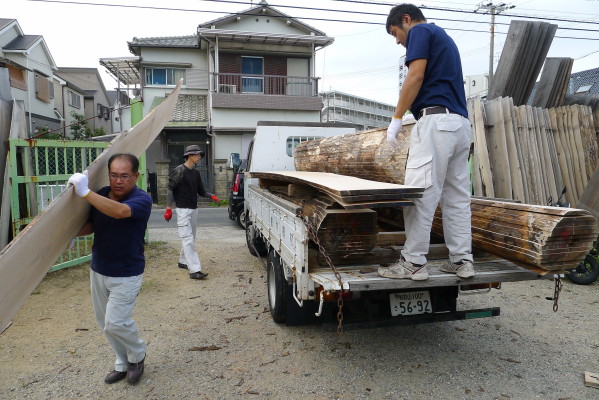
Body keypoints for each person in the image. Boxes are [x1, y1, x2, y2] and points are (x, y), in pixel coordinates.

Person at [378, 3, 475, 281]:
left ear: (406, 20)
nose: (398, 40)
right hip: (459, 125)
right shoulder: (445, 37)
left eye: (396, 32)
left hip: (435, 124)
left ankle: (413, 264)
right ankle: (461, 260)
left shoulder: (421, 32)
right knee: (457, 199)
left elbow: (416, 75)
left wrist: (397, 119)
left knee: (419, 195)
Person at [68, 153, 151, 385]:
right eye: (114, 175)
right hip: (99, 268)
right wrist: (68, 233)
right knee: (105, 324)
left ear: (136, 176)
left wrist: (85, 193)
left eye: (124, 176)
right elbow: (93, 224)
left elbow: (120, 212)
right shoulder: (102, 194)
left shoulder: (141, 200)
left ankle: (138, 355)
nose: (118, 180)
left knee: (117, 322)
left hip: (127, 272)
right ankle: (122, 363)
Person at [163, 145, 219, 280]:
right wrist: (168, 208)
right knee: (187, 239)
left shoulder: (196, 173)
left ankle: (183, 261)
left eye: (200, 154)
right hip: (182, 210)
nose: (199, 157)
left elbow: (201, 191)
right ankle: (195, 270)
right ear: (189, 155)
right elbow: (170, 189)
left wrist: (211, 196)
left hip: (194, 209)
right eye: (197, 154)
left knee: (191, 238)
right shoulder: (179, 170)